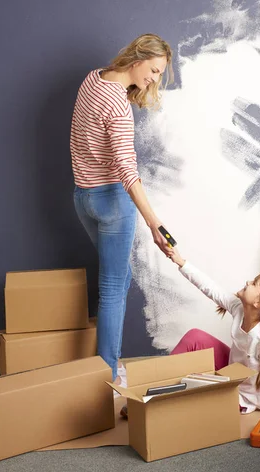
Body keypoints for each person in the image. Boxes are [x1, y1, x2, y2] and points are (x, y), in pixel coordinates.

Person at [70, 34, 174, 386]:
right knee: (113, 288)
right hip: (113, 202)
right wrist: (154, 222)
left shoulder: (93, 78)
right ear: (138, 59)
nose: (154, 79)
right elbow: (128, 172)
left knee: (119, 279)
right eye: (155, 70)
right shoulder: (118, 107)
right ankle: (109, 376)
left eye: (159, 74)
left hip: (83, 198)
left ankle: (106, 364)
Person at [121, 246, 260, 420]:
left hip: (243, 395)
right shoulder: (238, 308)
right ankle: (155, 386)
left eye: (254, 283)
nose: (247, 282)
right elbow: (210, 288)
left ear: (259, 302)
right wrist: (181, 262)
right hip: (230, 369)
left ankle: (155, 406)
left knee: (197, 403)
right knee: (195, 336)